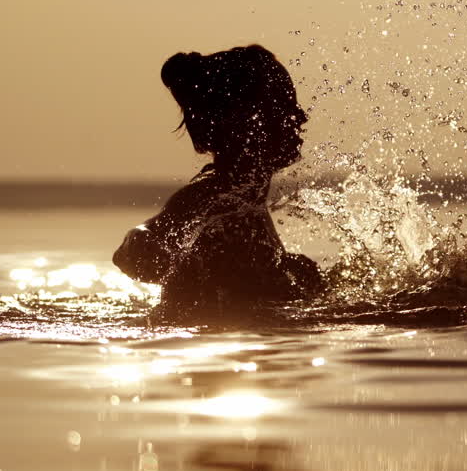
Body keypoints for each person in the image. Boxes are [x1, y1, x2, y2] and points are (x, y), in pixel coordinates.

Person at [113, 44, 322, 315]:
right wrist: (185, 268)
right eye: (284, 105)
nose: (299, 117)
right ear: (244, 121)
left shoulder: (246, 198)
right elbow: (134, 248)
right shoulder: (216, 195)